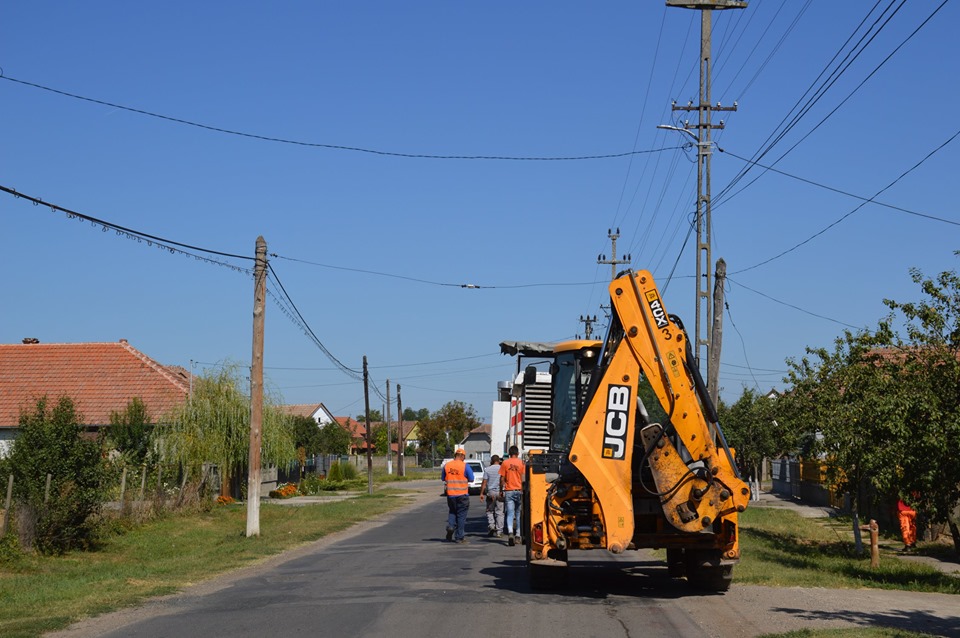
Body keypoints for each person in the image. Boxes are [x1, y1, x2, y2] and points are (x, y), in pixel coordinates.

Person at [441, 448, 474, 543]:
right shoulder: (465, 466)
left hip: (451, 495)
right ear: (462, 456)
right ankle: (460, 537)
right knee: (461, 515)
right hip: (462, 494)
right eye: (464, 457)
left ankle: (451, 526)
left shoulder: (447, 465)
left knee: (452, 511)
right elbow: (471, 479)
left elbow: (443, 478)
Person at [499, 445, 525, 546]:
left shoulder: (505, 463)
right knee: (518, 514)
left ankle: (510, 532)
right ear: (517, 453)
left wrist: (501, 490)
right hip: (519, 490)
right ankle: (518, 535)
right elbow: (523, 477)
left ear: (509, 454)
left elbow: (502, 479)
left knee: (509, 513)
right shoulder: (521, 463)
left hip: (509, 490)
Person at [480, 455, 504, 537]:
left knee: (489, 511)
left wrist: (481, 493)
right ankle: (499, 531)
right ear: (498, 461)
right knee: (499, 512)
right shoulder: (502, 469)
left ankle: (491, 526)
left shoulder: (487, 470)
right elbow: (503, 481)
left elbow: (484, 483)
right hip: (499, 493)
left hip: (490, 493)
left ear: (491, 461)